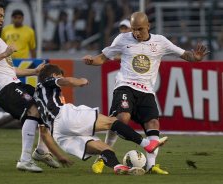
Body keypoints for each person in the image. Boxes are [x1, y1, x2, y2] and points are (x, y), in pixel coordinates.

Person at [82, 11, 208, 175]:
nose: (136, 33)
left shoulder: (160, 41)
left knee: (153, 124)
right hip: (125, 86)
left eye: (140, 29)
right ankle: (102, 158)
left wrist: (195, 58)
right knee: (121, 119)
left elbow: (185, 55)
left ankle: (151, 166)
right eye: (134, 29)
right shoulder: (123, 39)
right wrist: (92, 61)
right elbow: (103, 57)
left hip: (146, 91)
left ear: (148, 26)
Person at [0, 1, 73, 172]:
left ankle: (41, 150)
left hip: (13, 82)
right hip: (3, 88)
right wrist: (5, 53)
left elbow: (9, 70)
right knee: (33, 108)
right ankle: (25, 159)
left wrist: (34, 71)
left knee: (46, 104)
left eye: (3, 16)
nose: (2, 19)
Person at [34, 64, 168, 175]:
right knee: (112, 122)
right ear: (53, 76)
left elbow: (44, 133)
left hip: (58, 134)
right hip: (65, 116)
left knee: (104, 148)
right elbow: (66, 81)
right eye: (59, 76)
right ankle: (147, 144)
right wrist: (81, 81)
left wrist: (59, 155)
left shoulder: (37, 98)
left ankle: (117, 167)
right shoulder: (46, 82)